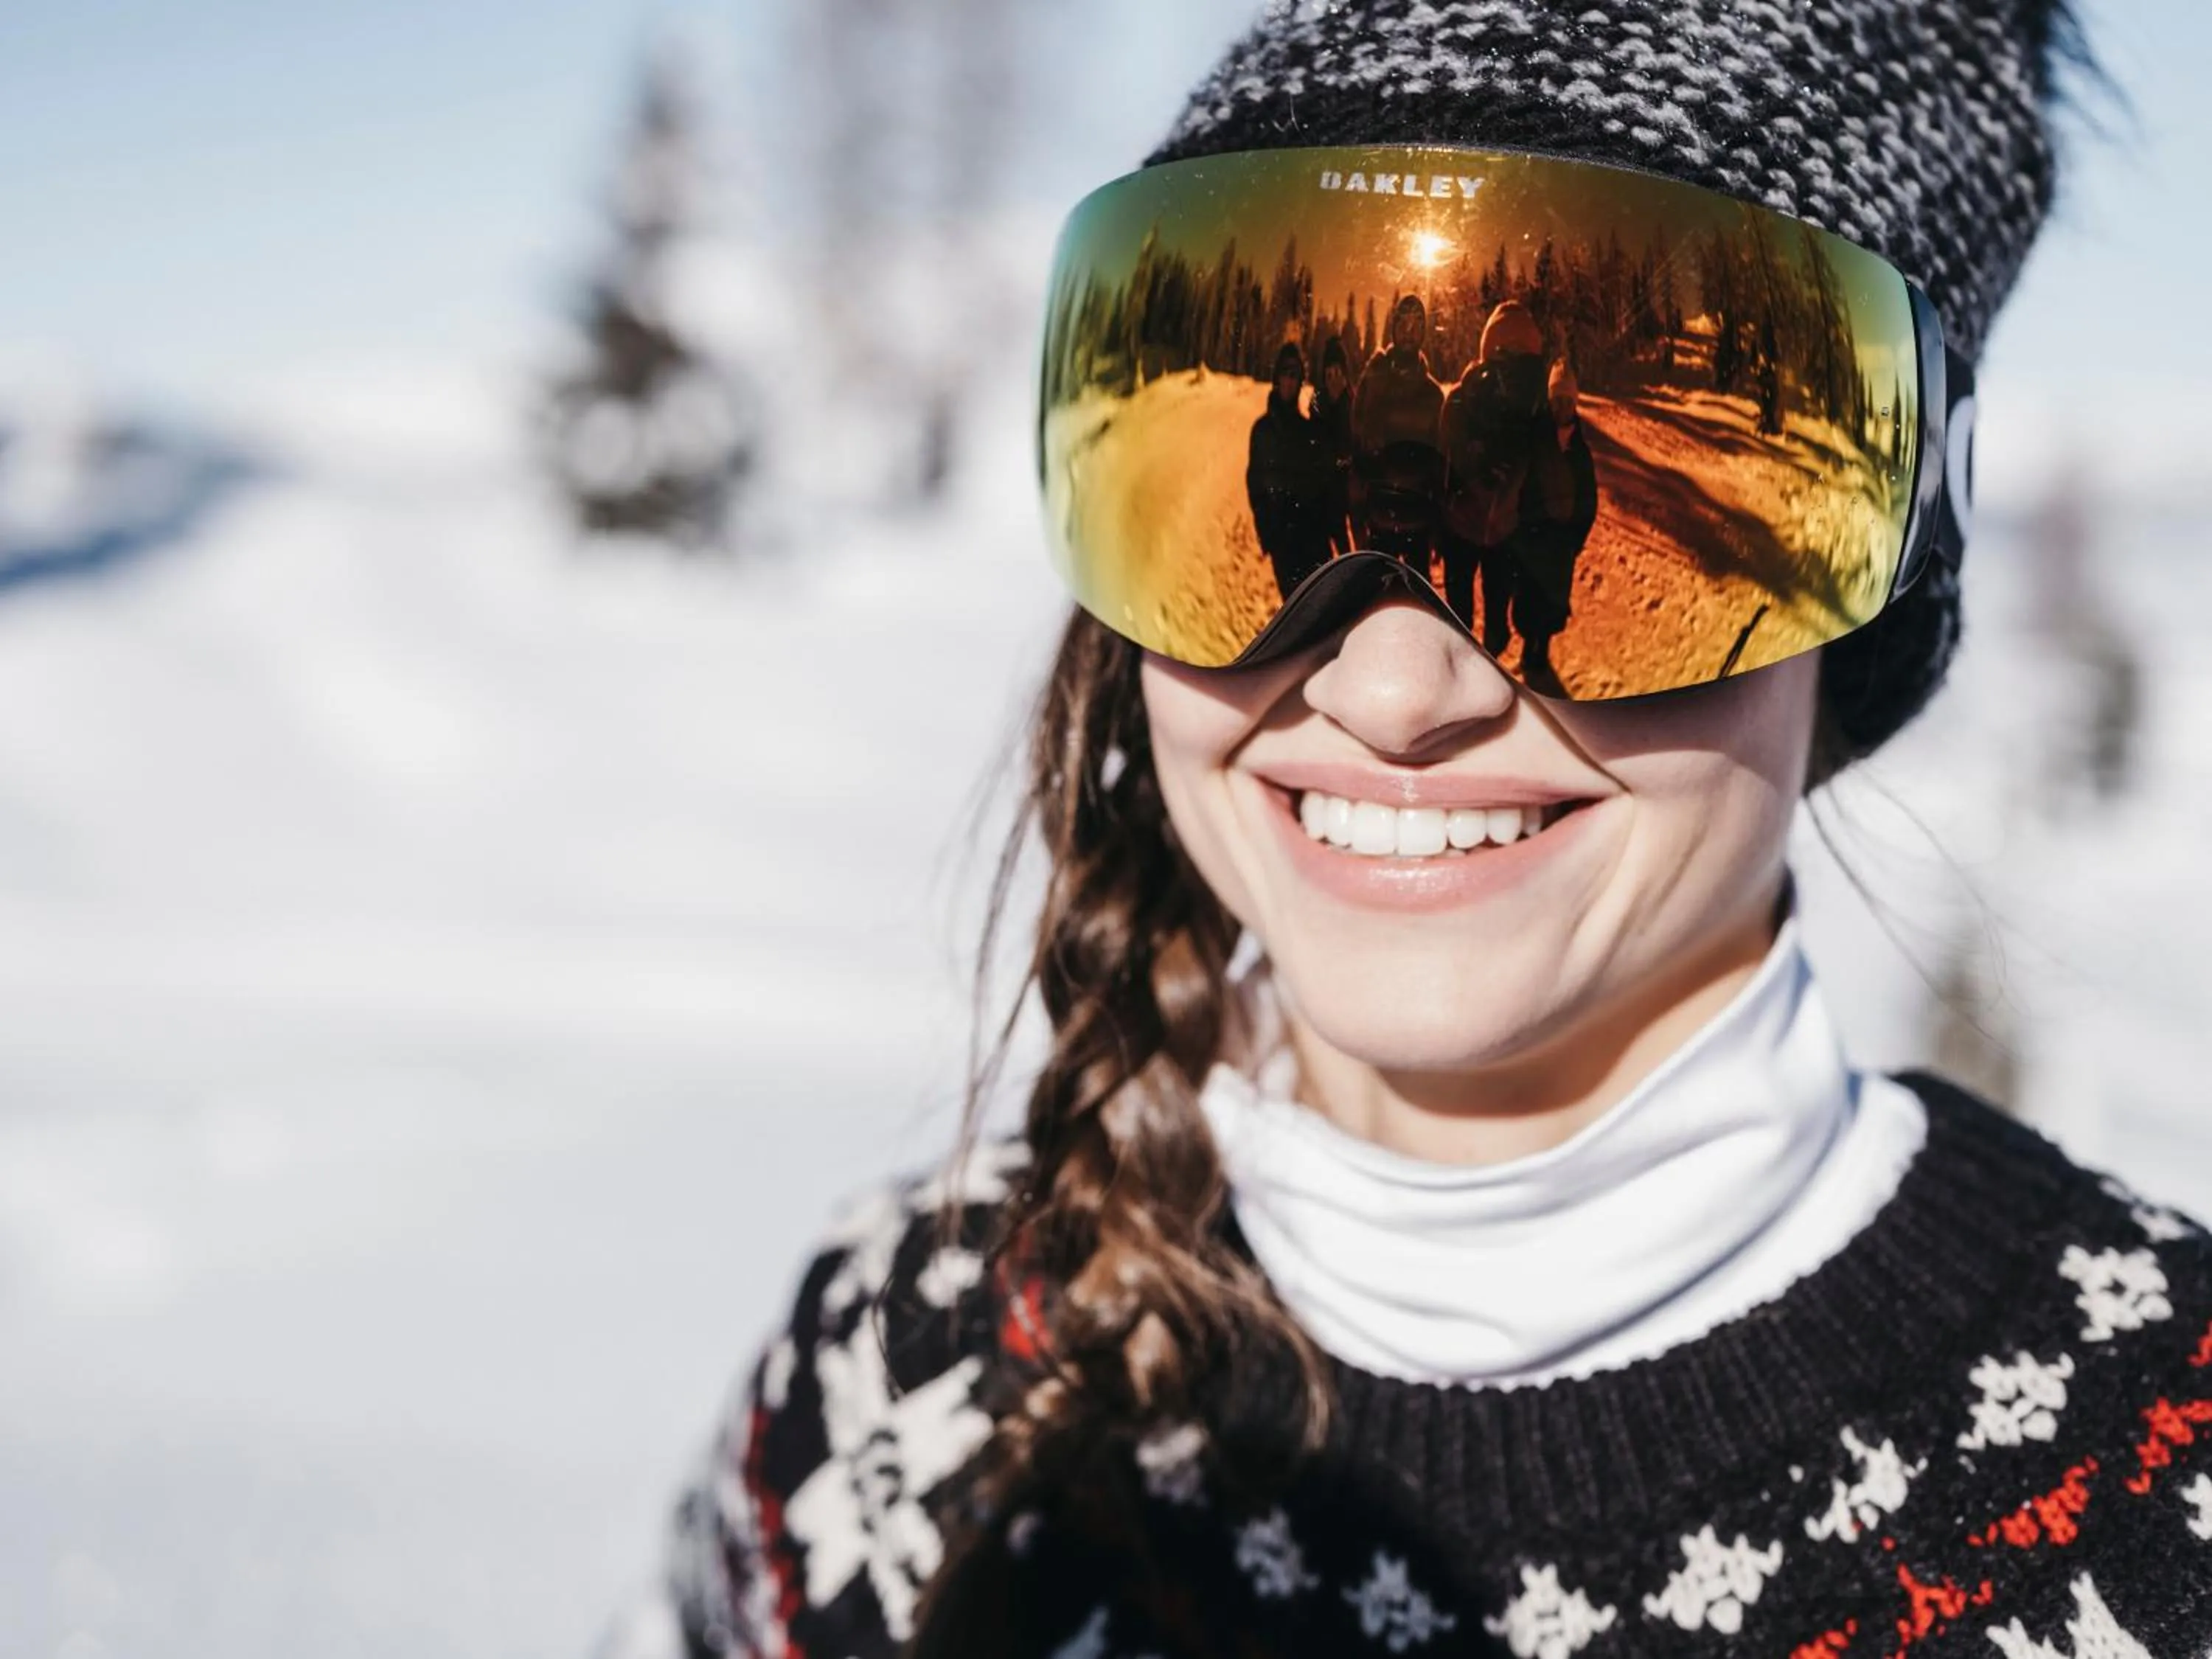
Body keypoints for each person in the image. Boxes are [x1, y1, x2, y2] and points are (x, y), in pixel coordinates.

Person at [625, 4, 2211, 1658]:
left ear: (1864, 600)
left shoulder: (2163, 1498)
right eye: (1247, 506)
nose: (1391, 686)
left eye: (1626, 543)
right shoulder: (909, 1380)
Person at [1438, 300, 1552, 647]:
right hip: (1460, 528)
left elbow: (1541, 475)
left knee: (1497, 626)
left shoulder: (1533, 411)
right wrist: (1475, 469)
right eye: (1505, 351)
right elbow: (1442, 463)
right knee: (1458, 619)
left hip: (1504, 534)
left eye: (1520, 355)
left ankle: (1493, 665)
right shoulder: (1461, 399)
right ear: (1490, 349)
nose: (1510, 366)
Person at [1504, 359, 1600, 696]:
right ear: (1549, 400)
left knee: (1552, 601)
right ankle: (1529, 648)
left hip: (1560, 544)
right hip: (1531, 539)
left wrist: (1575, 538)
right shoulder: (1534, 436)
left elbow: (1589, 499)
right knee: (1528, 599)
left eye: (1568, 401)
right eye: (1557, 399)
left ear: (1575, 404)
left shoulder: (1580, 450)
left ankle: (1541, 651)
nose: (1562, 407)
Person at [1348, 294, 1445, 564]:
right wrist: (1358, 523)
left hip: (1419, 526)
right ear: (1393, 329)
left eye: (1417, 325)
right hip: (1378, 525)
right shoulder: (1373, 384)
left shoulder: (1433, 396)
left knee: (1415, 603)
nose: (1409, 333)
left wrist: (1439, 528)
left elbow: (1440, 467)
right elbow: (1358, 453)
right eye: (1403, 324)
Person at [1246, 341, 1339, 600]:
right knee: (1295, 611)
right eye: (1286, 373)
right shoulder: (1262, 431)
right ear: (1276, 377)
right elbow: (1256, 486)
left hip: (1313, 541)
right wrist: (1269, 535)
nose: (1290, 380)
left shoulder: (1308, 429)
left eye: (1296, 374)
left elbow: (1323, 483)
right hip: (1284, 544)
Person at [1310, 333, 1359, 556]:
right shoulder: (1318, 403)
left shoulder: (1354, 401)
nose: (1334, 378)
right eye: (1329, 373)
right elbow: (1317, 444)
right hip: (1330, 489)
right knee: (1338, 537)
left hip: (1353, 486)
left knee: (1360, 537)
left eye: (1339, 372)